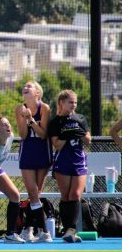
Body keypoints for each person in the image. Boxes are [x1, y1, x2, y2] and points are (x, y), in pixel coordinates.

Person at [48, 90, 91, 243]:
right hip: (63, 162)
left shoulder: (80, 118)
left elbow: (88, 140)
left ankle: (72, 229)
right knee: (65, 196)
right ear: (61, 102)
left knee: (76, 195)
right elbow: (57, 145)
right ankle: (67, 231)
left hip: (79, 161)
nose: (73, 105)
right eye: (70, 102)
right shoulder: (55, 122)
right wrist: (66, 134)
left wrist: (79, 133)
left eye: (75, 102)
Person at [14, 81, 53, 243]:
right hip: (28, 152)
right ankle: (44, 232)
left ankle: (28, 229)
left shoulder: (44, 108)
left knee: (36, 193)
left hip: (42, 152)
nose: (25, 88)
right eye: (24, 86)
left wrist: (30, 119)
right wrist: (24, 117)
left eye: (29, 86)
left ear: (37, 93)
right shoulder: (19, 108)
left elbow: (43, 134)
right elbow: (23, 135)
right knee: (32, 192)